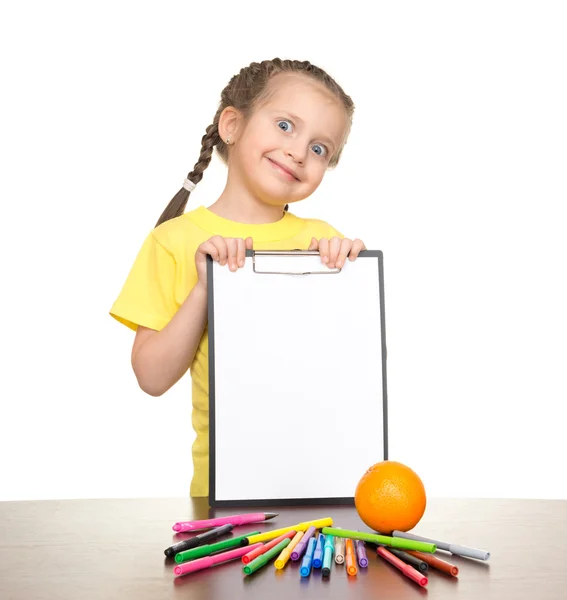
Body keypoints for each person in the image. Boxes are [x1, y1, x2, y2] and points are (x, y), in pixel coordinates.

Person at [109, 58, 367, 497]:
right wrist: (204, 291)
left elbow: (349, 375)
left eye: (320, 148)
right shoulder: (173, 241)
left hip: (324, 485)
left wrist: (347, 281)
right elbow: (151, 378)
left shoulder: (324, 244)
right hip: (224, 497)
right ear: (232, 124)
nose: (299, 151)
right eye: (285, 125)